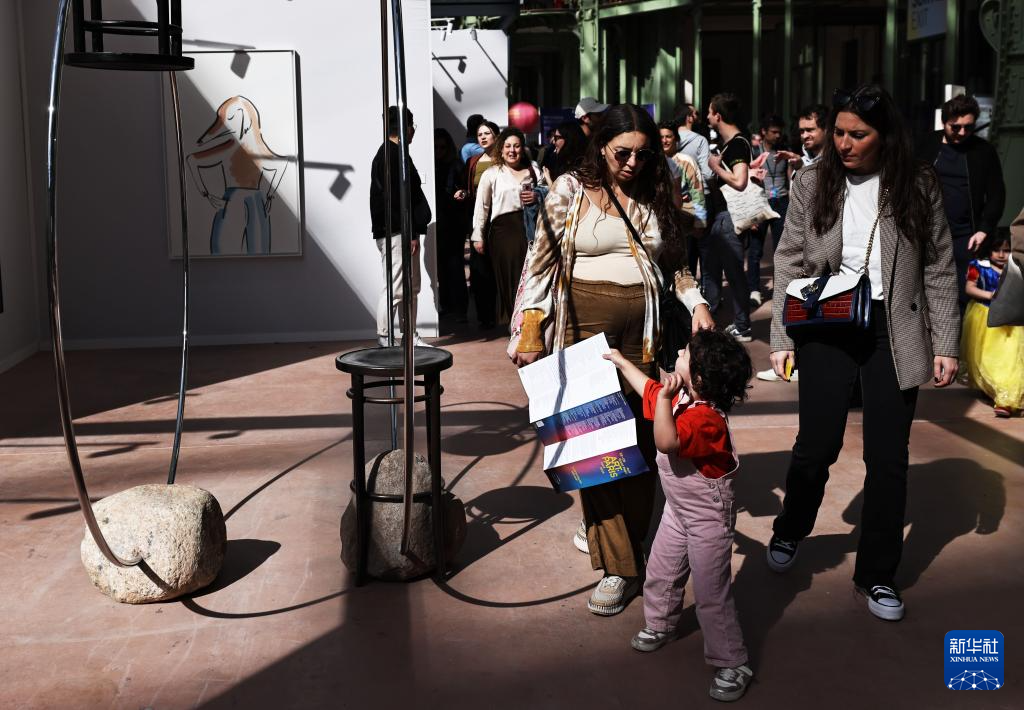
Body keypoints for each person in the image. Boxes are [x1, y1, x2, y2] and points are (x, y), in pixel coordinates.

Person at [512, 103, 714, 617]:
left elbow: (676, 266)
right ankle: (620, 568)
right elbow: (541, 264)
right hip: (582, 330)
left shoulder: (655, 190)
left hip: (644, 337)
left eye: (642, 155)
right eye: (622, 153)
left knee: (643, 447)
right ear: (601, 145)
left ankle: (632, 545)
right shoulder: (569, 189)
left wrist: (697, 304)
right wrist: (531, 330)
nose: (631, 163)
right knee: (596, 452)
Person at [767, 85, 960, 622]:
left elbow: (939, 264)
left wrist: (946, 343)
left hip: (892, 329)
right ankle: (791, 528)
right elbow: (789, 258)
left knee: (888, 457)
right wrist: (782, 338)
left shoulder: (917, 183)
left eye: (859, 134)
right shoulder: (812, 181)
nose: (844, 144)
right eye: (839, 132)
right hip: (826, 322)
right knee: (816, 446)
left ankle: (877, 574)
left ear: (885, 135)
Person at [604, 330, 754, 703]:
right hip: (678, 509)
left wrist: (664, 399)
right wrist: (621, 362)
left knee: (711, 593)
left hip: (708, 520)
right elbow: (649, 389)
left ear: (698, 377)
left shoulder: (705, 420)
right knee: (661, 570)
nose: (680, 351)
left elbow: (666, 441)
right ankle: (660, 624)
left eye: (687, 353)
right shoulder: (682, 397)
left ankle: (733, 661)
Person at [920, 94, 1007, 313]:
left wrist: (984, 230)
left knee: (963, 297)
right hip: (926, 233)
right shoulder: (926, 144)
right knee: (925, 292)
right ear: (944, 123)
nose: (961, 133)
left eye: (968, 127)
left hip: (966, 238)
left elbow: (996, 193)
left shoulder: (983, 151)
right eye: (955, 127)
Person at [471, 127, 546, 327]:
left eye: (516, 146)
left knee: (531, 277)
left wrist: (537, 195)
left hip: (531, 229)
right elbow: (482, 206)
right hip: (503, 233)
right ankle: (515, 324)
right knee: (511, 278)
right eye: (508, 146)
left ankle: (529, 323)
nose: (512, 150)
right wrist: (478, 235)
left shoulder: (533, 169)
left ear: (523, 148)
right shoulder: (492, 173)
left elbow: (549, 193)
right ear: (501, 149)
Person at [370, 106, 432, 348]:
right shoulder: (391, 155)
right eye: (412, 126)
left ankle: (408, 335)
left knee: (410, 287)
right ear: (406, 128)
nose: (414, 131)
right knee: (397, 287)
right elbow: (397, 200)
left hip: (398, 231)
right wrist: (410, 232)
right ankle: (386, 336)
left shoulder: (395, 154)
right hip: (397, 232)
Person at [705, 93, 754, 342]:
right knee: (711, 271)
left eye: (709, 112)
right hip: (721, 218)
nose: (707, 117)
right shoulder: (732, 144)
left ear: (718, 115)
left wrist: (715, 167)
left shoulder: (737, 144)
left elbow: (740, 180)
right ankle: (710, 321)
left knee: (734, 274)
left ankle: (743, 326)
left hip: (729, 217)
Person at [959, 234, 1023, 417]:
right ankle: (998, 392)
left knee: (1011, 358)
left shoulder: (1016, 266)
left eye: (1006, 250)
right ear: (989, 250)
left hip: (1012, 320)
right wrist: (990, 295)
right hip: (986, 318)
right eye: (997, 250)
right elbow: (969, 287)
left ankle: (1006, 399)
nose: (1001, 254)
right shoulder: (979, 266)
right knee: (988, 358)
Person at [747, 114, 791, 308]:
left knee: (780, 250)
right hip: (760, 201)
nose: (777, 135)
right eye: (774, 132)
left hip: (781, 201)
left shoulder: (784, 151)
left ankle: (779, 288)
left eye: (780, 132)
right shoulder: (755, 151)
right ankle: (754, 290)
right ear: (764, 132)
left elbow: (789, 176)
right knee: (755, 249)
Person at [659, 121, 706, 278]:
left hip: (684, 223)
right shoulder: (654, 162)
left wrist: (700, 223)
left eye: (668, 136)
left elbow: (698, 192)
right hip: (661, 223)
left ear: (676, 139)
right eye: (661, 137)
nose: (664, 140)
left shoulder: (686, 161)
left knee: (686, 266)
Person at [467, 120, 501, 329]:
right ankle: (485, 315)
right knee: (479, 268)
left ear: (496, 136)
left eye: (487, 133)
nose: (483, 137)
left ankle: (501, 313)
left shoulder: (505, 159)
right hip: (479, 217)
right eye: (480, 134)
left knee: (498, 266)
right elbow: (470, 189)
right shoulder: (474, 161)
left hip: (499, 218)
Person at [434, 128, 469, 320]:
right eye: (436, 147)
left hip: (454, 222)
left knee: (455, 266)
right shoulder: (432, 165)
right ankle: (447, 305)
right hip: (439, 222)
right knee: (441, 267)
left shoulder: (456, 166)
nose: (439, 151)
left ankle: (459, 308)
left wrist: (461, 193)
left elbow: (465, 190)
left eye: (442, 147)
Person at [675, 103, 713, 185]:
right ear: (689, 118)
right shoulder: (700, 140)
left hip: (675, 189)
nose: (698, 117)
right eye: (696, 114)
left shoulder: (669, 140)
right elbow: (708, 174)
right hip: (697, 190)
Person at [543, 120, 587, 184]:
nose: (553, 142)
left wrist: (548, 178)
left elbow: (558, 190)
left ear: (569, 139)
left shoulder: (583, 166)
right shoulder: (561, 161)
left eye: (556, 137)